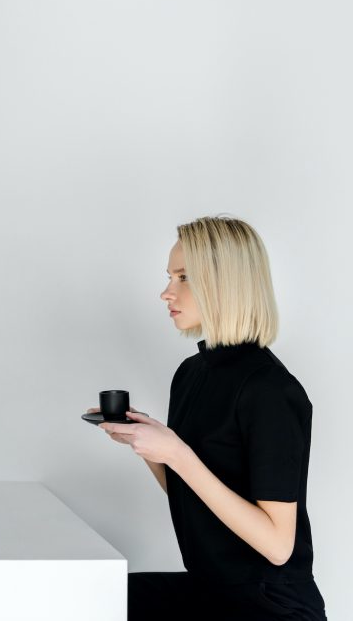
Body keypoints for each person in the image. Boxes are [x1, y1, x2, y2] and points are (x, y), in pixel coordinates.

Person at [95, 216, 326, 620]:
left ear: (225, 284)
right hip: (212, 589)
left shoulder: (271, 391)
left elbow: (277, 545)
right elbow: (193, 499)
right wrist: (148, 445)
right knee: (82, 598)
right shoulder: (191, 374)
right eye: (170, 276)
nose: (167, 292)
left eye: (183, 277)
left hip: (268, 606)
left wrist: (178, 453)